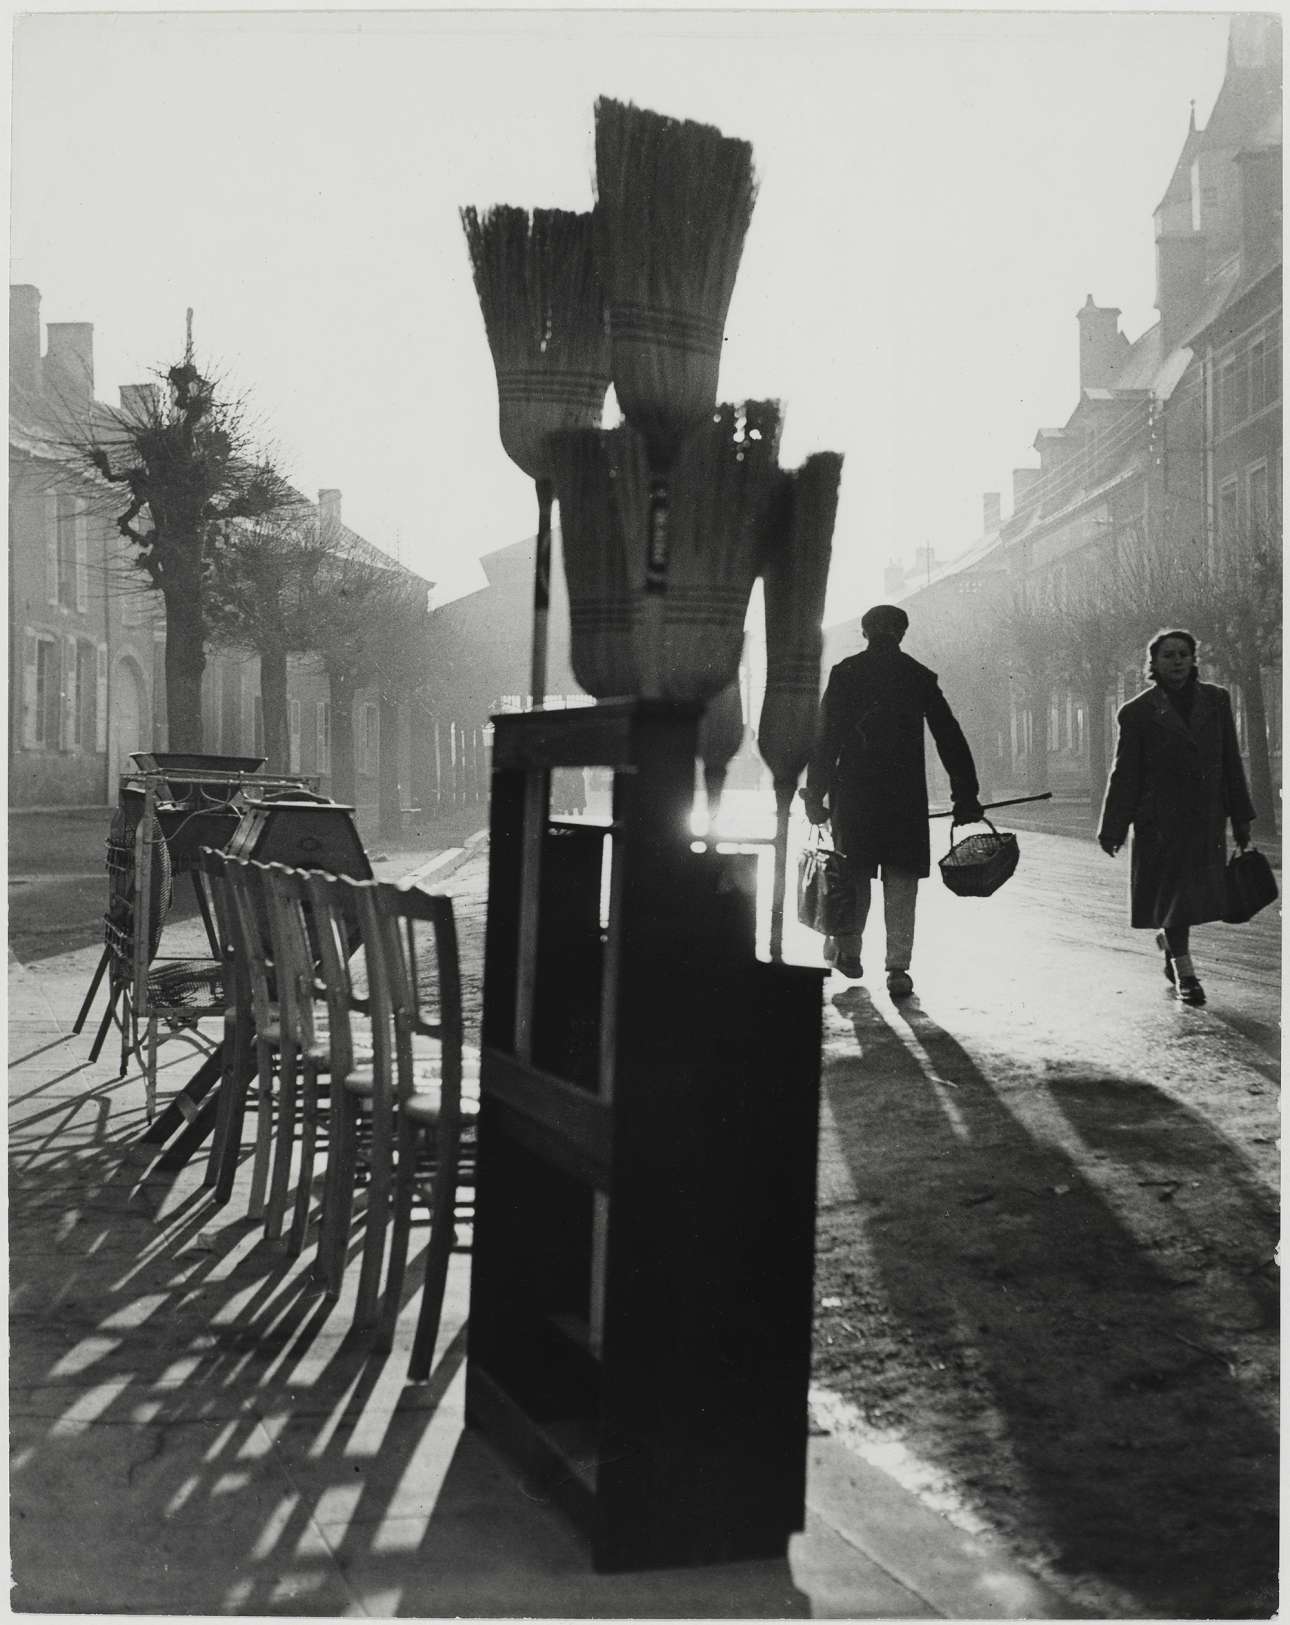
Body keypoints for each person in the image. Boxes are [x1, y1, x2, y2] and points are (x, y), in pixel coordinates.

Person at [802, 603, 983, 998]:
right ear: (902, 633)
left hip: (855, 796)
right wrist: (965, 794)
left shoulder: (846, 673)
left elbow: (825, 738)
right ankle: (898, 968)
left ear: (864, 633)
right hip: (904, 798)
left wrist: (814, 793)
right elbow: (949, 736)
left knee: (854, 875)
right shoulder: (917, 675)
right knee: (901, 882)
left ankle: (849, 950)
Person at [1097, 628, 1254, 1007]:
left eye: (1183, 653)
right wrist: (1113, 827)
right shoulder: (1137, 712)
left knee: (1191, 899)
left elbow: (1230, 760)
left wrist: (1241, 816)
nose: (1177, 661)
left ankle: (1170, 944)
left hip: (1205, 820)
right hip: (1159, 825)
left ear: (1193, 659)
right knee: (1176, 898)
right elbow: (1126, 773)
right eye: (1168, 655)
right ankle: (1186, 975)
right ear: (1153, 664)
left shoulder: (1216, 701)